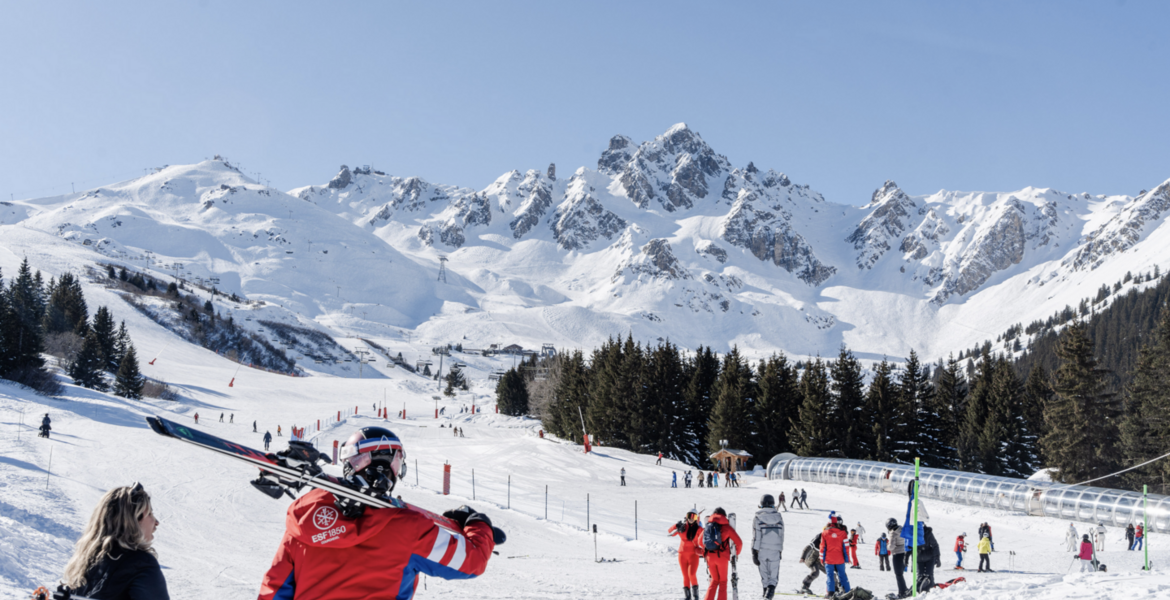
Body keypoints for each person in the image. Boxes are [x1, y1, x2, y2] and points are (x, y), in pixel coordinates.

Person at [258, 426, 501, 600]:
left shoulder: (305, 517)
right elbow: (472, 562)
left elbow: (274, 590)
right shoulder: (411, 528)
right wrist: (478, 524)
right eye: (395, 464)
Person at [57, 483, 168, 599]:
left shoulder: (88, 561)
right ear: (133, 521)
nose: (156, 522)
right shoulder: (141, 564)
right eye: (149, 513)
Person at [701, 507, 742, 600]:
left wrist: (705, 552)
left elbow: (700, 542)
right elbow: (739, 543)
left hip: (710, 557)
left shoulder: (708, 527)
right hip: (722, 558)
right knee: (723, 582)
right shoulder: (727, 527)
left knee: (714, 580)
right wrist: (736, 554)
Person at [751, 494, 785, 600]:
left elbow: (756, 537)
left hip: (762, 551)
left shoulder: (758, 518)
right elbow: (781, 535)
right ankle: (768, 595)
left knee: (764, 577)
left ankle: (765, 595)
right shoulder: (779, 517)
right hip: (775, 551)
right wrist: (780, 550)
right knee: (773, 578)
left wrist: (754, 552)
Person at [669, 510, 704, 600]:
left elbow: (706, 536)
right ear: (686, 517)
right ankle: (687, 597)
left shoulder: (699, 529)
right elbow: (670, 532)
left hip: (693, 555)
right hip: (682, 555)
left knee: (691, 574)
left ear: (696, 518)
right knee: (685, 576)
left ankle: (696, 596)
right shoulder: (683, 527)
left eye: (694, 516)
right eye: (689, 516)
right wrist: (676, 526)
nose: (691, 518)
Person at [820, 518, 851, 597]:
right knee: (842, 575)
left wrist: (822, 559)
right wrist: (847, 558)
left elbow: (822, 547)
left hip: (829, 559)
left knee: (830, 576)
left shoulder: (825, 532)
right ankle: (847, 592)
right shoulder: (843, 532)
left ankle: (830, 593)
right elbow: (846, 547)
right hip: (840, 559)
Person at [886, 518, 909, 598]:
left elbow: (891, 547)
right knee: (900, 574)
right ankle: (904, 589)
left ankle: (902, 592)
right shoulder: (901, 529)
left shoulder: (893, 533)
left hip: (897, 554)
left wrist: (887, 546)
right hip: (904, 552)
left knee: (898, 574)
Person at [915, 524, 942, 592]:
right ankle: (921, 591)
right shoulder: (914, 532)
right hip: (919, 558)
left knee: (929, 575)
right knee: (920, 576)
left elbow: (935, 545)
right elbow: (909, 546)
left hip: (928, 558)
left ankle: (930, 590)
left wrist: (937, 557)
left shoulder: (927, 533)